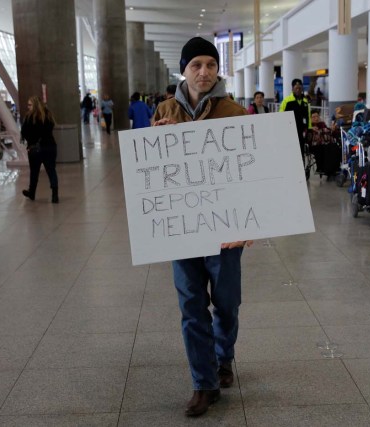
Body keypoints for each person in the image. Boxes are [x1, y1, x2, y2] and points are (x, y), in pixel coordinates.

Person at [152, 36, 253, 418]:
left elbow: (249, 173)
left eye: (210, 64)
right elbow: (155, 172)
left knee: (226, 303)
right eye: (196, 65)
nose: (204, 72)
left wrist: (248, 223)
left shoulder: (234, 112)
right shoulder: (164, 109)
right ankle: (203, 383)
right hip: (183, 226)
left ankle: (223, 356)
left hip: (226, 228)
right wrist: (155, 140)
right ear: (184, 70)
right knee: (191, 305)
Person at [21, 96, 59, 203]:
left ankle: (32, 192)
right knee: (51, 170)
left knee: (34, 172)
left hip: (35, 149)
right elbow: (51, 127)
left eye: (29, 105)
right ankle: (55, 195)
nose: (28, 107)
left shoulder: (29, 117)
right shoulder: (48, 115)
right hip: (50, 146)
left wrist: (30, 142)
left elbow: (24, 132)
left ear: (35, 105)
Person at [279, 78, 311, 159]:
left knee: (301, 151)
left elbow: (308, 116)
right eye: (296, 88)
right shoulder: (286, 101)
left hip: (302, 131)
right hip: (290, 131)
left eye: (300, 88)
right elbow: (280, 115)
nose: (298, 90)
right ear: (292, 89)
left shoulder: (305, 101)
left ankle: (302, 168)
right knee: (291, 150)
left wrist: (309, 129)